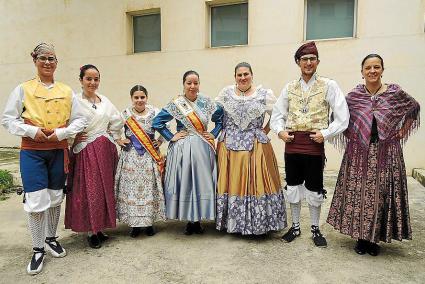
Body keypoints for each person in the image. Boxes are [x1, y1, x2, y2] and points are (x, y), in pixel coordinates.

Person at [1, 43, 87, 275]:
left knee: (55, 197)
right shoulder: (23, 89)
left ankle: (51, 238)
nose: (47, 62)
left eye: (51, 58)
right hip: (33, 151)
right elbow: (8, 119)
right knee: (37, 200)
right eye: (42, 58)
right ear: (35, 61)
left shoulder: (66, 91)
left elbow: (80, 119)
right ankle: (38, 249)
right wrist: (31, 131)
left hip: (58, 150)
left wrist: (61, 133)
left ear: (57, 63)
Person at [327, 54, 420, 256]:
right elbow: (338, 116)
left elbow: (414, 107)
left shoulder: (394, 93)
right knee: (359, 195)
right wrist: (352, 135)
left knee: (381, 195)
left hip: (387, 152)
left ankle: (375, 239)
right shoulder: (354, 96)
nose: (372, 71)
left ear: (382, 70)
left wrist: (402, 131)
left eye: (376, 67)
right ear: (362, 72)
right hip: (360, 154)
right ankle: (361, 239)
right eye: (368, 68)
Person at [271, 41, 349, 247]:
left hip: (314, 146)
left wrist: (325, 133)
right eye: (304, 59)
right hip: (293, 145)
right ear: (298, 62)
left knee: (315, 189)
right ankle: (295, 226)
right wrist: (280, 132)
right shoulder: (289, 88)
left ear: (318, 62)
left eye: (312, 59)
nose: (308, 62)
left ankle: (315, 228)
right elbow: (277, 115)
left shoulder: (329, 85)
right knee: (293, 187)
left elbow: (343, 117)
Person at [215, 62, 287, 235]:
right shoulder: (225, 93)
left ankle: (259, 224)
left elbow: (279, 115)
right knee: (230, 182)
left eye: (246, 74)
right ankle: (231, 223)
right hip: (229, 146)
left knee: (257, 182)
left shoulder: (264, 94)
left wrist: (265, 130)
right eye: (239, 75)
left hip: (255, 145)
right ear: (235, 77)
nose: (243, 78)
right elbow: (215, 114)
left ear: (252, 75)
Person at [152, 70, 222, 234]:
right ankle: (189, 221)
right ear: (183, 84)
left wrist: (214, 133)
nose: (192, 86)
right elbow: (157, 122)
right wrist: (171, 136)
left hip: (203, 148)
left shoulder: (206, 101)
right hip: (182, 148)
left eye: (195, 83)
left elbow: (220, 119)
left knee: (201, 183)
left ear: (199, 84)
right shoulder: (176, 103)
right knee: (186, 183)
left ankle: (198, 219)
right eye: (189, 83)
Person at [64, 64, 123, 249]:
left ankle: (100, 229)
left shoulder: (104, 100)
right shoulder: (74, 100)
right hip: (86, 150)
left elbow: (117, 120)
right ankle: (91, 230)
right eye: (88, 78)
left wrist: (114, 136)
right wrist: (73, 137)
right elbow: (65, 122)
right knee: (90, 191)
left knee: (105, 189)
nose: (92, 82)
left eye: (96, 78)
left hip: (105, 150)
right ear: (81, 80)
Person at [115, 85, 166, 238]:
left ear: (146, 97)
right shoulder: (125, 114)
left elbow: (164, 127)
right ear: (132, 98)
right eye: (136, 97)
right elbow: (113, 127)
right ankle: (135, 225)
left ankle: (149, 223)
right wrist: (119, 140)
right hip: (130, 157)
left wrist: (160, 141)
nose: (139, 100)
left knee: (149, 188)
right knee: (132, 190)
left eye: (142, 97)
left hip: (149, 158)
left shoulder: (155, 112)